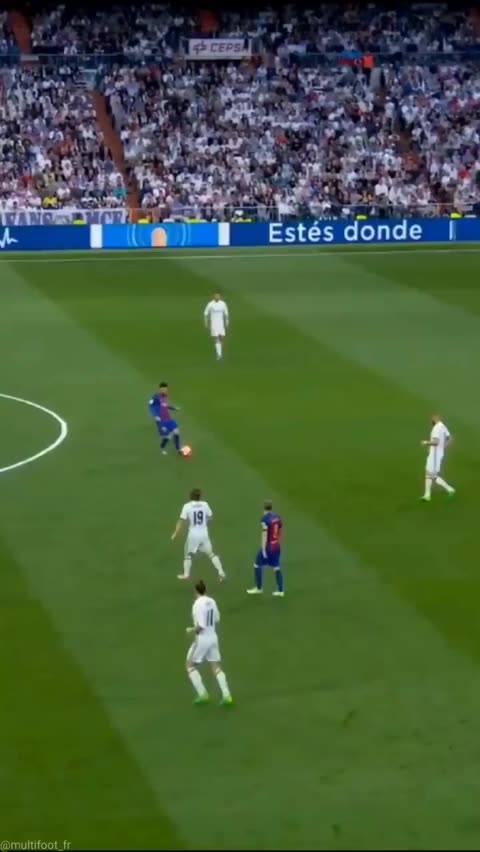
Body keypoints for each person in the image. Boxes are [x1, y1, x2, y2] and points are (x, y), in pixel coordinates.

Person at [185, 579, 233, 706]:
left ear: (195, 591)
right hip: (213, 637)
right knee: (215, 666)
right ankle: (227, 695)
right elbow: (217, 618)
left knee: (190, 666)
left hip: (202, 639)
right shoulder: (212, 601)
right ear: (205, 589)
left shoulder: (197, 604)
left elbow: (201, 626)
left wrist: (191, 630)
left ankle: (203, 694)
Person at [172, 488, 225, 581]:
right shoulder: (205, 504)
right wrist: (204, 522)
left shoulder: (187, 506)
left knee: (188, 554)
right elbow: (211, 517)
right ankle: (221, 572)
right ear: (200, 497)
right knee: (211, 554)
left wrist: (175, 533)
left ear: (190, 496)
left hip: (193, 535)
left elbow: (181, 520)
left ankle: (186, 574)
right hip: (204, 533)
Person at [247, 501, 284, 596]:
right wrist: (278, 542)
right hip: (276, 545)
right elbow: (280, 531)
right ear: (271, 508)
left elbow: (264, 534)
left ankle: (259, 588)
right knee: (276, 567)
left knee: (257, 564)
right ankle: (280, 590)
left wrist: (263, 549)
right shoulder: (277, 517)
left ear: (264, 509)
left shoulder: (265, 519)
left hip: (268, 547)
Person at [421, 414, 455, 501]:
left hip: (435, 456)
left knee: (432, 475)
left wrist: (426, 443)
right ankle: (427, 495)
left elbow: (436, 442)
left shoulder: (436, 428)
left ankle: (450, 489)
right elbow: (450, 438)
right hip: (437, 454)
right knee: (429, 474)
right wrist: (443, 447)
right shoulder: (443, 426)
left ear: (434, 420)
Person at [148, 382, 182, 455]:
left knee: (176, 432)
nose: (165, 391)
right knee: (168, 436)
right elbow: (150, 406)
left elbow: (165, 405)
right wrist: (156, 416)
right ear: (160, 389)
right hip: (161, 421)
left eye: (166, 389)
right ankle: (162, 447)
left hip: (168, 418)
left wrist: (173, 408)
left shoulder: (165, 396)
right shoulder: (155, 397)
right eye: (163, 389)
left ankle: (178, 449)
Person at [204, 293, 229, 361]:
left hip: (221, 323)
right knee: (216, 338)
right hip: (214, 323)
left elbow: (226, 313)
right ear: (213, 297)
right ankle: (219, 354)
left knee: (222, 337)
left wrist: (227, 321)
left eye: (218, 296)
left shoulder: (223, 303)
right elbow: (206, 313)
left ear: (220, 297)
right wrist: (206, 322)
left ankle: (219, 350)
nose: (217, 297)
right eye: (216, 296)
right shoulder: (210, 304)